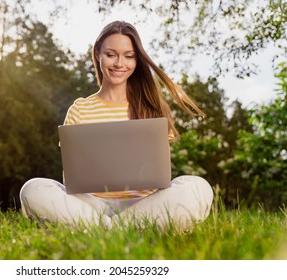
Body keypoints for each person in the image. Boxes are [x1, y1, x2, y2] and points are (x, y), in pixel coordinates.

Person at [19, 21, 213, 231]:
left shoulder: (152, 108)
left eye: (129, 56)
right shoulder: (80, 109)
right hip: (91, 207)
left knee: (198, 187)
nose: (120, 63)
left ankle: (104, 230)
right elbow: (71, 180)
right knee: (32, 189)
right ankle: (122, 229)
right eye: (111, 54)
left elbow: (161, 175)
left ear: (137, 60)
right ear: (98, 55)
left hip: (144, 206)